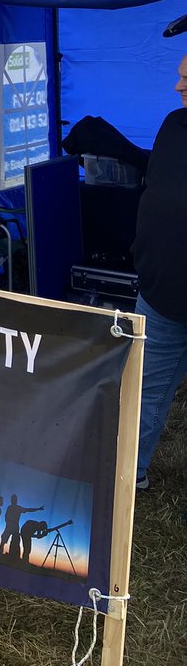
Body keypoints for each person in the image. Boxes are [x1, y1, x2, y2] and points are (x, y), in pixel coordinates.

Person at [133, 52, 187, 491]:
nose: (177, 86)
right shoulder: (175, 124)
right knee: (143, 392)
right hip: (161, 293)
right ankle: (131, 474)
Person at [0, 494, 43, 561]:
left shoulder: (18, 508)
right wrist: (9, 521)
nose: (13, 500)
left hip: (15, 528)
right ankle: (0, 556)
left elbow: (28, 510)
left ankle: (12, 557)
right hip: (9, 527)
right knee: (3, 542)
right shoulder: (9, 507)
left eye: (14, 499)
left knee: (15, 543)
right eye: (12, 499)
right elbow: (6, 517)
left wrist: (38, 509)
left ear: (16, 500)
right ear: (12, 500)